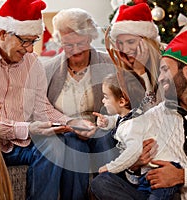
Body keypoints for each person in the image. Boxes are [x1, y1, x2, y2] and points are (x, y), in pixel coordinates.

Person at [0, 0, 94, 199]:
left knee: (69, 143)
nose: (29, 50)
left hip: (25, 142)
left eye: (33, 41)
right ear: (2, 33)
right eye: (25, 41)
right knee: (54, 146)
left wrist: (70, 122)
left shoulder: (31, 61)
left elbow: (41, 107)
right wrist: (26, 128)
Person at [91, 24, 187, 200]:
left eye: (165, 70)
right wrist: (135, 166)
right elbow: (142, 173)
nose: (159, 78)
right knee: (102, 182)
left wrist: (180, 176)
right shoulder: (156, 115)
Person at [44, 8, 119, 200]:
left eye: (80, 43)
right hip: (66, 131)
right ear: (60, 41)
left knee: (105, 141)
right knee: (74, 145)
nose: (75, 50)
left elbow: (121, 102)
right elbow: (42, 107)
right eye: (68, 44)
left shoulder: (108, 63)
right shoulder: (48, 69)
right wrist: (70, 125)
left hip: (102, 127)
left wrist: (104, 123)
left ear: (90, 38)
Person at [93, 73, 181, 200]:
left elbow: (134, 151)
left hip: (162, 174)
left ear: (122, 101)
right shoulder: (134, 113)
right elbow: (119, 120)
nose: (103, 101)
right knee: (100, 182)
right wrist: (107, 122)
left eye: (106, 97)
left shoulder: (133, 125)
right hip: (145, 177)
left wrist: (111, 167)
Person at [104, 3, 163, 113]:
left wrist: (141, 72)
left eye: (130, 42)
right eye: (120, 43)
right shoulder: (121, 65)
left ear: (147, 41)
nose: (125, 49)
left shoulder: (165, 64)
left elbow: (151, 113)